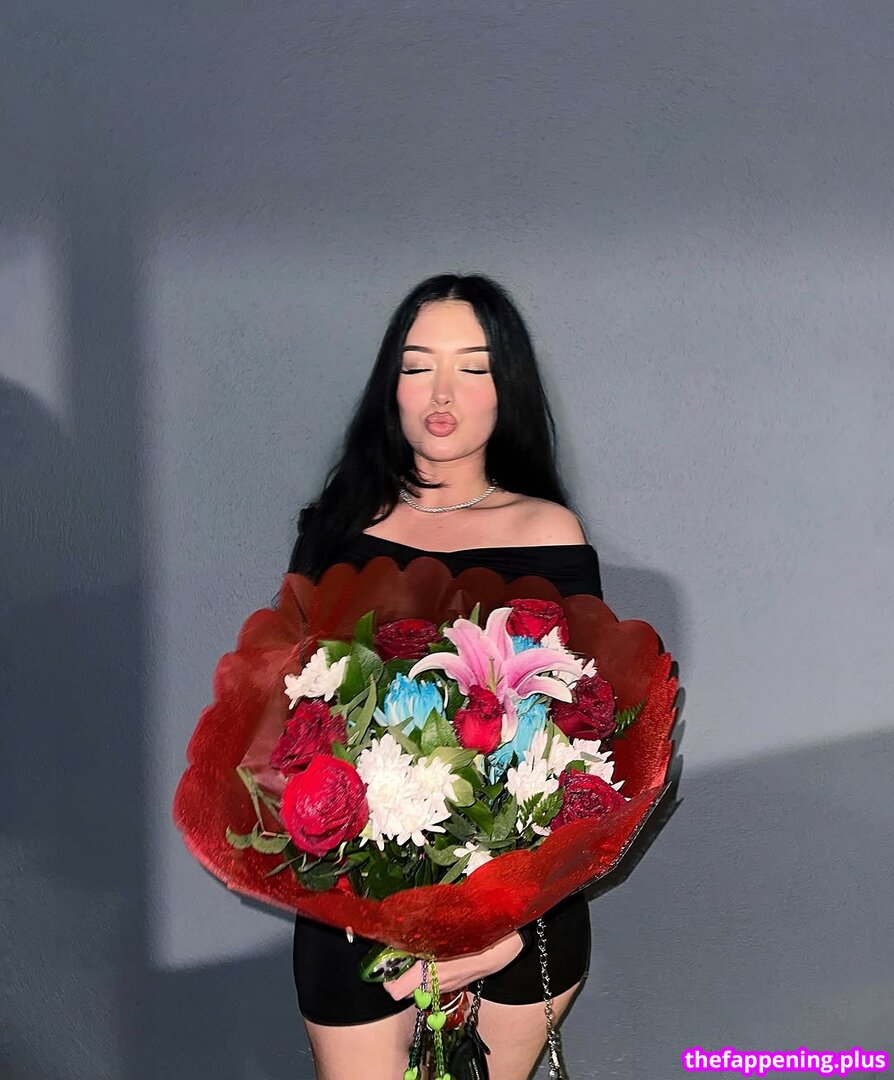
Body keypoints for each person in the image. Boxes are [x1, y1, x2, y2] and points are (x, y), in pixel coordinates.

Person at [286, 273, 603, 1080]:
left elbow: (586, 737)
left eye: (473, 367)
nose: (441, 392)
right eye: (418, 364)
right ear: (389, 384)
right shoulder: (336, 529)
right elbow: (290, 720)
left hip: (518, 918)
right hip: (356, 908)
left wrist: (499, 927)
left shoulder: (547, 531)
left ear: (507, 387)